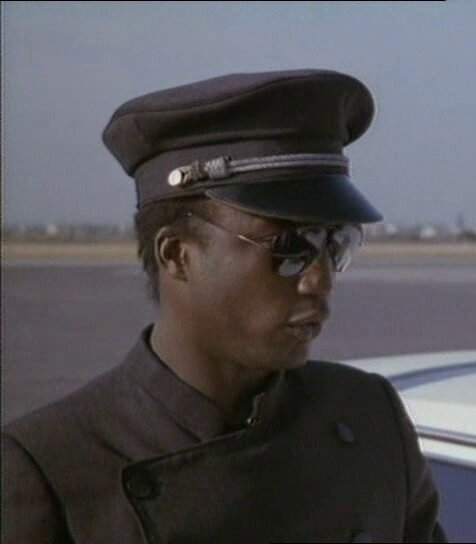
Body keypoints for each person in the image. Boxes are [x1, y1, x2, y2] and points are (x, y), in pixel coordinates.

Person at [2, 70, 446, 543]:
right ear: (178, 255)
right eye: (290, 247)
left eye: (335, 244)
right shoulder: (51, 470)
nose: (321, 280)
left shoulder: (368, 417)